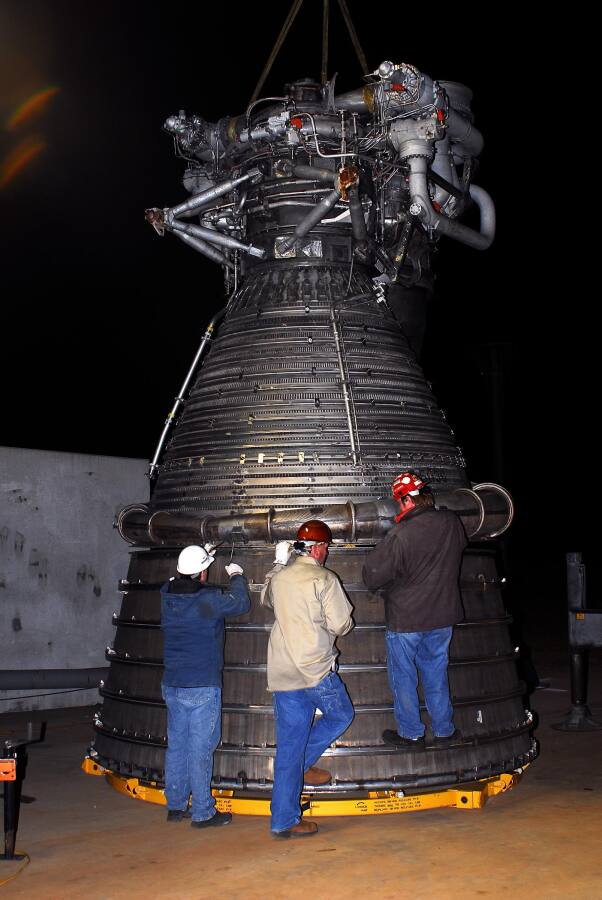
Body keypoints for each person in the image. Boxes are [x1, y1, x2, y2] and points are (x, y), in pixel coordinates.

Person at [261, 522, 354, 838]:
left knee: (289, 746)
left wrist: (277, 564)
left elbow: (267, 599)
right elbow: (341, 625)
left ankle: (284, 821)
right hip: (316, 670)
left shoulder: (280, 578)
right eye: (326, 546)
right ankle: (303, 764)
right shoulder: (324, 579)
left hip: (283, 672)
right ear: (317, 548)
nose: (326, 552)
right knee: (341, 715)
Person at [362, 472, 467, 750]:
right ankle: (444, 731)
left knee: (404, 677)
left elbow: (373, 575)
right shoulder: (451, 522)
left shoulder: (401, 534)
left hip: (407, 619)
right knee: (436, 672)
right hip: (443, 616)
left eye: (398, 501)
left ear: (407, 500)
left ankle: (411, 734)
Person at [160, 543, 250, 826]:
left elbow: (177, 581)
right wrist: (237, 576)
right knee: (200, 749)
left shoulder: (166, 594)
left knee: (177, 746)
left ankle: (176, 805)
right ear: (202, 573)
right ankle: (202, 812)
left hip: (173, 683)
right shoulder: (207, 599)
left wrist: (201, 555)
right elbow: (240, 603)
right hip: (202, 684)